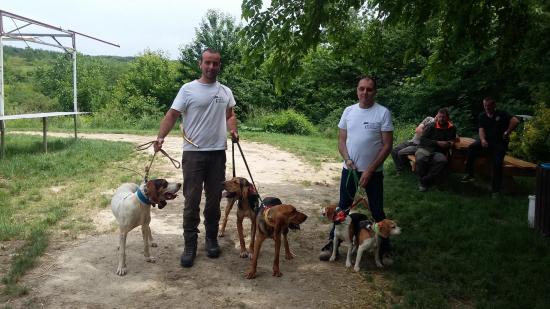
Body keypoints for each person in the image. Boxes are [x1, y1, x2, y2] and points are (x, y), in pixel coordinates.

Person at [154, 48, 238, 268]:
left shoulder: (225, 91)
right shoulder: (188, 89)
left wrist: (233, 130)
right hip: (193, 154)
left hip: (217, 153)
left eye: (216, 63)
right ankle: (189, 244)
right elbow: (172, 114)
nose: (211, 67)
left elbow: (230, 115)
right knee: (191, 201)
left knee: (213, 201)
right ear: (200, 63)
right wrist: (160, 137)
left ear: (219, 65)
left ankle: (210, 239)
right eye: (208, 63)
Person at [319, 76, 393, 261]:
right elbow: (342, 140)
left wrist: (369, 170)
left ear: (374, 91)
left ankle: (384, 249)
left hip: (373, 172)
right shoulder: (348, 111)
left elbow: (387, 146)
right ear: (357, 90)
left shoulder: (382, 113)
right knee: (342, 208)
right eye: (362, 89)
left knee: (377, 211)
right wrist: (347, 159)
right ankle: (332, 244)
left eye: (369, 89)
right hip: (349, 169)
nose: (365, 93)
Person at [461, 97, 519, 197]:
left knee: (497, 163)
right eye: (485, 106)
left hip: (499, 143)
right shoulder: (482, 116)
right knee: (472, 147)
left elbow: (515, 121)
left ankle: (495, 190)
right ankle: (469, 174)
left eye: (489, 106)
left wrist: (507, 131)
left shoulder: (502, 114)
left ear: (494, 105)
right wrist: (483, 140)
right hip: (487, 141)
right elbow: (481, 130)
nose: (487, 108)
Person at [415, 108, 457, 192]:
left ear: (447, 118)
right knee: (421, 159)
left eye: (443, 117)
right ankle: (424, 183)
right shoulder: (431, 126)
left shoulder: (452, 128)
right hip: (425, 148)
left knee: (442, 161)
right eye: (440, 117)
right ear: (437, 117)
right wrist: (437, 143)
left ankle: (425, 180)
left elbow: (452, 140)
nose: (441, 119)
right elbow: (422, 140)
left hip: (439, 151)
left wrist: (450, 143)